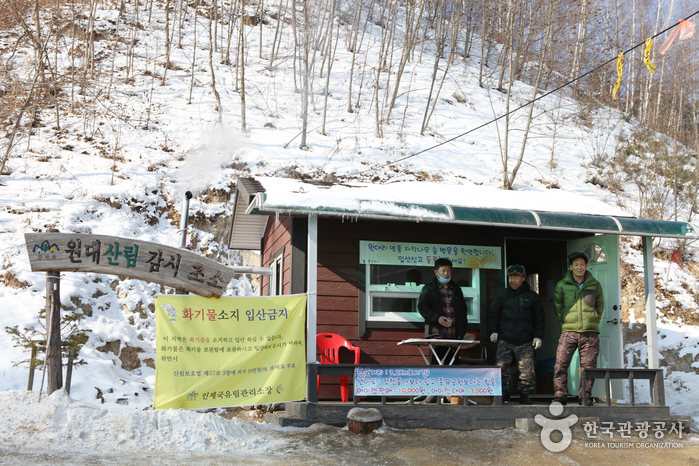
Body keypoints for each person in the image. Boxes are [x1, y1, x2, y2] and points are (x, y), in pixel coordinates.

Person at [552, 251, 605, 405]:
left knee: (588, 367)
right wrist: (565, 321)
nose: (579, 267)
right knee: (560, 364)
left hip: (590, 333)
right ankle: (560, 395)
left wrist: (595, 320)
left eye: (582, 264)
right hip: (568, 332)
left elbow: (600, 305)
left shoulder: (595, 284)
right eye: (576, 265)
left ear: (586, 266)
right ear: (571, 267)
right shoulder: (562, 285)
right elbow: (558, 306)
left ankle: (585, 397)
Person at [488, 264, 545, 405]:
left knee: (527, 370)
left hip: (525, 340)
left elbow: (539, 318)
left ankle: (524, 394)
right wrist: (493, 331)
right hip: (505, 338)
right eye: (510, 278)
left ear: (523, 278)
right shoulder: (502, 295)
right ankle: (504, 391)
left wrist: (538, 336)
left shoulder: (532, 297)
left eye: (516, 277)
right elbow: (494, 315)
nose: (513, 280)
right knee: (501, 368)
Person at [418, 258, 468, 364]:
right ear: (436, 272)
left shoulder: (456, 289)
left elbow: (463, 310)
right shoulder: (429, 288)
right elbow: (422, 308)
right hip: (437, 336)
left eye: (449, 270)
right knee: (436, 368)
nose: (446, 273)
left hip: (454, 336)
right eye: (443, 270)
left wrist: (462, 329)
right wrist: (437, 318)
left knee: (454, 368)